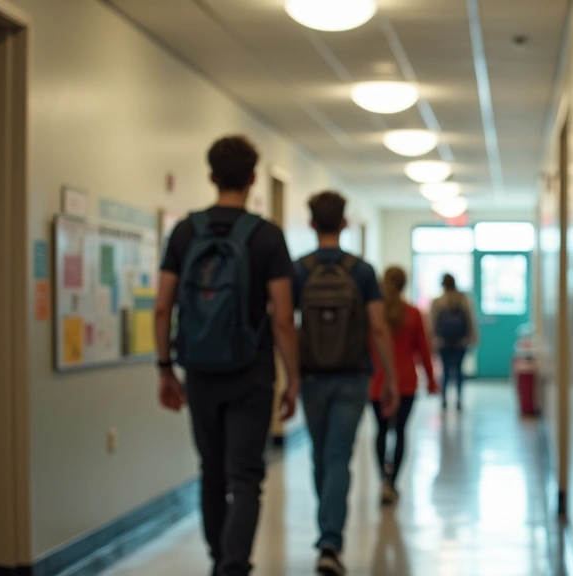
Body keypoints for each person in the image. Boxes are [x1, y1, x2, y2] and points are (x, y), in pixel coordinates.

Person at [154, 135, 300, 576]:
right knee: (246, 476)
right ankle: (234, 566)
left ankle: (218, 559)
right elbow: (282, 317)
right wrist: (293, 378)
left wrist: (165, 369)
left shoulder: (184, 231)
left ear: (212, 176)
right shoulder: (267, 236)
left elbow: (163, 306)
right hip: (251, 371)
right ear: (253, 178)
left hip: (198, 369)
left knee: (212, 472)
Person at [293, 191, 398, 576]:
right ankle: (330, 542)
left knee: (321, 455)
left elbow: (285, 326)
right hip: (353, 377)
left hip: (311, 376)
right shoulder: (362, 271)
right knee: (340, 455)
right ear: (344, 223)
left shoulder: (299, 270)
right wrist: (389, 377)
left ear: (310, 224)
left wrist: (290, 377)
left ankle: (328, 531)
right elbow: (378, 327)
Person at [370, 266, 439, 505]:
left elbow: (368, 348)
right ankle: (393, 482)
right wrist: (431, 379)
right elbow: (423, 349)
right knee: (399, 432)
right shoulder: (412, 313)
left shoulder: (375, 314)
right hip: (406, 383)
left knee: (380, 431)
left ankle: (383, 479)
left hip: (377, 381)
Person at [430, 273, 477, 410]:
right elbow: (470, 319)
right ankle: (459, 399)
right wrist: (472, 337)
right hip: (460, 341)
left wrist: (433, 339)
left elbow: (432, 323)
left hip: (443, 341)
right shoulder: (463, 299)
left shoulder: (438, 301)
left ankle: (444, 399)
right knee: (459, 371)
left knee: (445, 370)